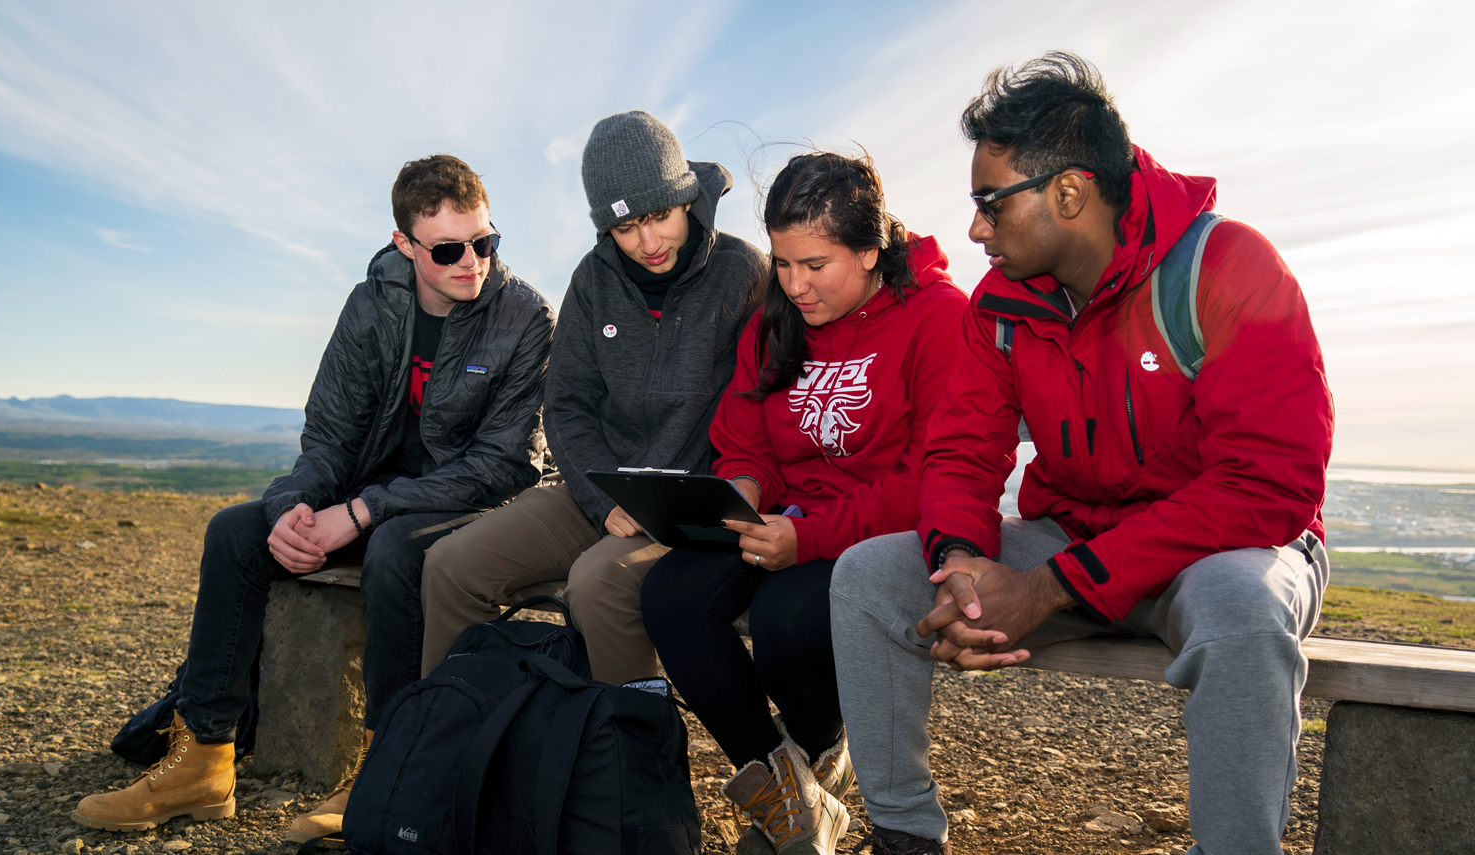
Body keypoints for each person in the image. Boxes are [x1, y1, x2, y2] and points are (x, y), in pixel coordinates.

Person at [830, 52, 1333, 855]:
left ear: (1069, 192)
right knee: (865, 578)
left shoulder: (1226, 266)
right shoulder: (999, 308)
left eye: (991, 203)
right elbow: (961, 452)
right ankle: (904, 837)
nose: (974, 228)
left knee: (1244, 618)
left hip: (1222, 551)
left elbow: (1270, 484)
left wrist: (1049, 587)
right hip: (1073, 540)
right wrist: (961, 562)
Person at [71, 156, 556, 842]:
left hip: (466, 507)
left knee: (393, 550)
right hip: (369, 498)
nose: (472, 261)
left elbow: (503, 465)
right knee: (235, 532)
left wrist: (359, 512)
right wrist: (293, 510)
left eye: (485, 240)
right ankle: (202, 760)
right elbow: (328, 434)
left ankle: (381, 768)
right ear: (405, 245)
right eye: (448, 249)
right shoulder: (372, 304)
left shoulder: (526, 315)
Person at [641, 152, 970, 855]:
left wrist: (812, 538)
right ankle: (795, 801)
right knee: (670, 592)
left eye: (814, 265)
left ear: (871, 248)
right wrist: (747, 494)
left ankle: (817, 764)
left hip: (880, 534)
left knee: (784, 615)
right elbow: (743, 436)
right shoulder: (776, 319)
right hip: (784, 523)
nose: (794, 285)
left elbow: (932, 476)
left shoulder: (941, 318)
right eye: (783, 264)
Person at [419, 111, 766, 686]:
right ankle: (456, 736)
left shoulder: (743, 274)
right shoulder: (593, 279)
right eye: (626, 228)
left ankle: (629, 757)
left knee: (596, 583)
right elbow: (568, 404)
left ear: (685, 198)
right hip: (596, 488)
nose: (647, 242)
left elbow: (760, 406)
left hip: (693, 507)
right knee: (450, 566)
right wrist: (602, 498)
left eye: (659, 217)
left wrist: (706, 497)